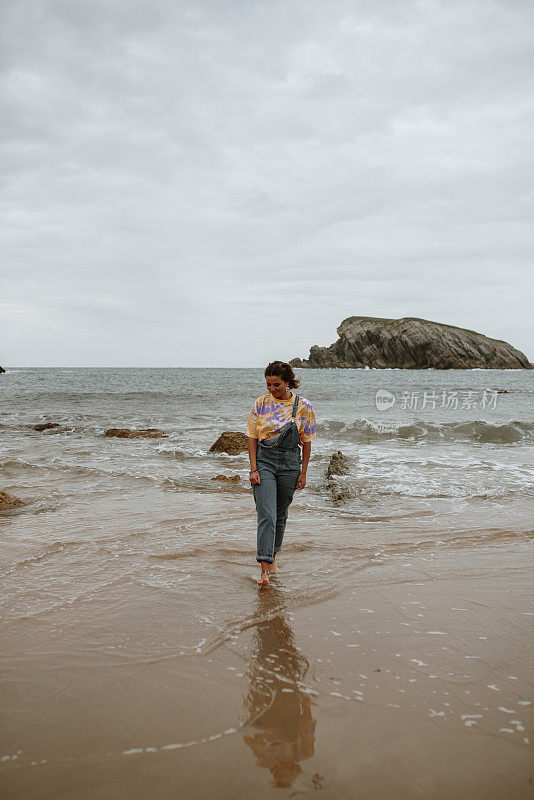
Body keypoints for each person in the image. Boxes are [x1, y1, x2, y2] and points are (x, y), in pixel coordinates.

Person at [246, 361, 317, 587]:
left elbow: (307, 441)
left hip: (290, 463)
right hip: (264, 460)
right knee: (266, 514)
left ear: (288, 382)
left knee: (280, 514)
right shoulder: (260, 403)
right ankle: (264, 570)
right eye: (268, 384)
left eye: (276, 385)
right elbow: (252, 437)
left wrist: (303, 472)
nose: (271, 389)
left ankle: (274, 556)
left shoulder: (303, 405)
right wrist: (254, 468)